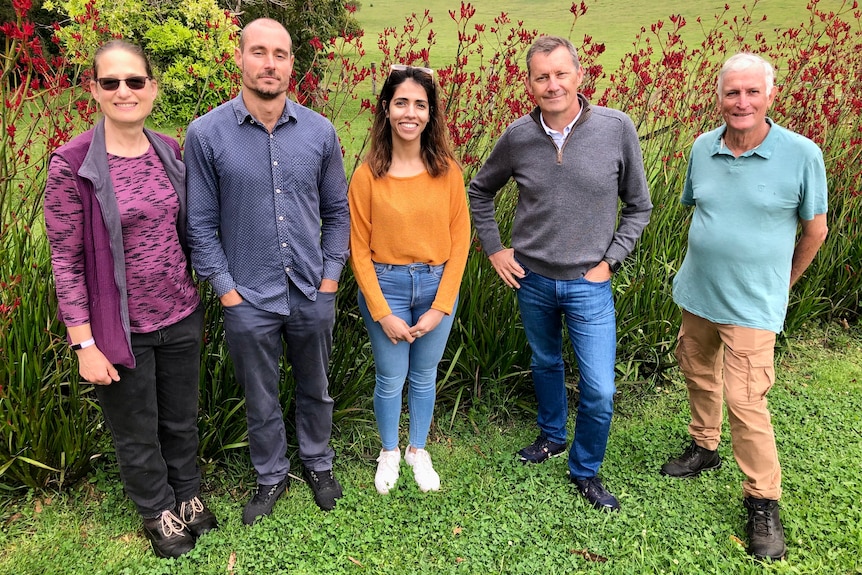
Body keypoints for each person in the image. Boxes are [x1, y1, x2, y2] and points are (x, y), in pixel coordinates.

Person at [43, 40, 218, 559]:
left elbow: (193, 226)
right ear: (93, 90)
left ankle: (187, 495)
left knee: (181, 418)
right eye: (112, 82)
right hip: (120, 327)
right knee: (136, 429)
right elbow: (66, 261)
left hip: (180, 315)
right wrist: (83, 344)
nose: (125, 91)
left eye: (135, 81)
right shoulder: (72, 165)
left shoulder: (169, 150)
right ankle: (156, 509)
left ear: (152, 89)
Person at [468, 36, 652, 511]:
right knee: (545, 362)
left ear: (579, 75)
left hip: (589, 283)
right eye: (541, 77)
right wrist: (494, 250)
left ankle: (585, 470)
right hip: (530, 278)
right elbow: (479, 192)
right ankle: (552, 436)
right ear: (529, 85)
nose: (552, 85)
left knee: (599, 388)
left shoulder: (616, 128)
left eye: (560, 74)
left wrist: (609, 262)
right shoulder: (517, 137)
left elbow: (639, 206)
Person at [660, 53, 828, 561]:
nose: (742, 102)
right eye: (732, 93)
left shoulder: (802, 154)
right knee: (697, 371)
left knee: (747, 400)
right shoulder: (701, 148)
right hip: (698, 292)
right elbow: (699, 209)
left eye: (752, 92)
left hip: (753, 305)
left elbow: (815, 231)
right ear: (719, 97)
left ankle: (763, 500)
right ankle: (705, 446)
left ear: (769, 96)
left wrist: (781, 284)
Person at [185, 18, 350, 521]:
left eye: (280, 54)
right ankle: (271, 475)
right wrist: (226, 291)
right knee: (259, 396)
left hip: (310, 289)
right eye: (259, 52)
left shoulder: (320, 131)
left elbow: (338, 212)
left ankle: (318, 461)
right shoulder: (207, 134)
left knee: (315, 386)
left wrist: (329, 281)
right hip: (247, 296)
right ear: (239, 58)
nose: (270, 63)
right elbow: (200, 223)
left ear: (292, 64)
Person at [348, 65, 471, 494]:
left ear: (431, 113)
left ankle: (418, 449)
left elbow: (461, 242)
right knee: (390, 377)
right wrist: (382, 313)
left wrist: (441, 306)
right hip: (387, 286)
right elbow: (358, 250)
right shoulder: (367, 176)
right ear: (386, 109)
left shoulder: (447, 172)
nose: (410, 113)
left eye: (420, 104)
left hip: (437, 286)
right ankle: (389, 451)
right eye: (401, 102)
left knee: (424, 376)